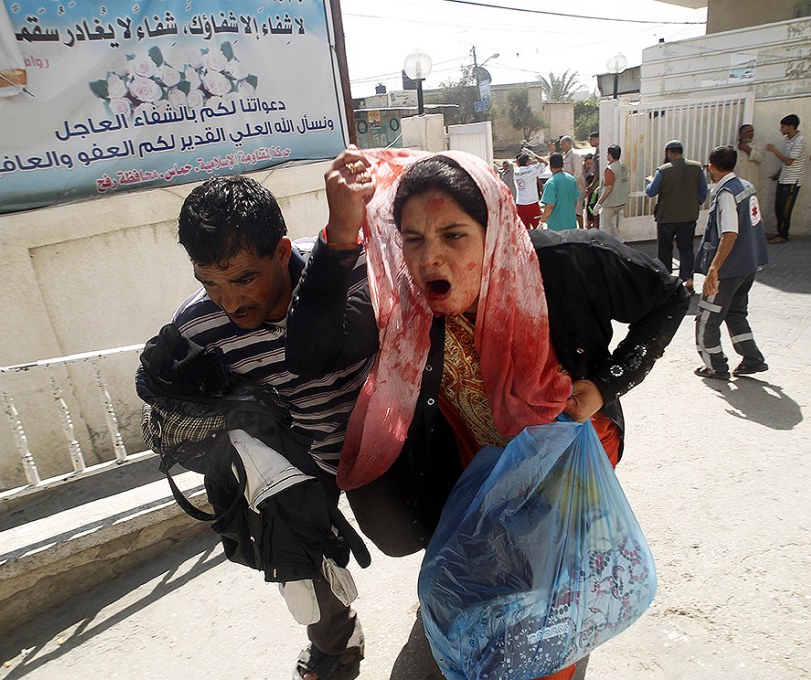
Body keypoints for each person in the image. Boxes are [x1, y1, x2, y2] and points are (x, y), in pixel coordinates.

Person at [286, 147, 690, 680]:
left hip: (569, 460)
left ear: (493, 227)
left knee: (550, 609)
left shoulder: (568, 264)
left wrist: (609, 380)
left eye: (454, 235)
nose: (430, 258)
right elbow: (308, 353)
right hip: (480, 466)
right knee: (491, 596)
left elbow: (669, 296)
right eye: (412, 239)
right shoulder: (404, 304)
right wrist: (341, 233)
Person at [158, 175, 370, 680]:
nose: (229, 302)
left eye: (243, 279)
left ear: (279, 251)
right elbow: (177, 423)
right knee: (299, 574)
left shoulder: (359, 271)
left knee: (438, 534)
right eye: (209, 282)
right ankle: (338, 649)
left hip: (389, 439)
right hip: (298, 455)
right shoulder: (194, 330)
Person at [694, 145, 770, 380]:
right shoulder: (746, 187)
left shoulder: (726, 194)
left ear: (712, 167)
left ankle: (715, 366)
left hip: (728, 269)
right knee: (735, 313)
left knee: (707, 318)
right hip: (747, 266)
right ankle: (752, 359)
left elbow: (729, 233)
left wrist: (714, 269)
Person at [645, 139, 709, 292]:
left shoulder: (663, 170)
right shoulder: (696, 167)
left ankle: (667, 282)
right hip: (688, 216)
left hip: (666, 217)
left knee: (665, 250)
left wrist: (650, 182)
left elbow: (651, 191)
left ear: (669, 152)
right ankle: (688, 281)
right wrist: (695, 203)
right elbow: (703, 192)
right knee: (686, 249)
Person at [766, 114, 806, 244]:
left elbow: (789, 161)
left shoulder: (799, 141)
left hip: (792, 181)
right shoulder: (788, 140)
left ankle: (783, 235)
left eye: (783, 127)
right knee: (778, 207)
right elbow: (785, 162)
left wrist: (774, 150)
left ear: (791, 127)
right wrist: (778, 173)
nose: (781, 129)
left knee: (785, 208)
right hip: (783, 179)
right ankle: (780, 232)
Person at [596, 144, 629, 241]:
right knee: (610, 224)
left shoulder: (610, 169)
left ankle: (606, 246)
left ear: (610, 155)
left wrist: (599, 204)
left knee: (604, 227)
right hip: (622, 200)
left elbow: (609, 188)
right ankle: (621, 242)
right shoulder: (623, 166)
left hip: (610, 203)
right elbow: (618, 181)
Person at [541, 152, 580, 231]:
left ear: (550, 167)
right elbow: (575, 202)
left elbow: (550, 206)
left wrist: (542, 220)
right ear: (562, 165)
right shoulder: (572, 180)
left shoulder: (551, 183)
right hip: (570, 223)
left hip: (556, 226)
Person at [513, 151, 548, 228]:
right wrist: (534, 155)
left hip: (520, 204)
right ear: (528, 162)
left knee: (524, 229)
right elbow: (545, 163)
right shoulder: (532, 170)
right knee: (537, 227)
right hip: (532, 204)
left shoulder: (515, 172)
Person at [560, 135, 586, 227]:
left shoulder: (575, 155)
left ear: (569, 144)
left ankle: (582, 230)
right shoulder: (564, 156)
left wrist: (571, 186)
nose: (561, 146)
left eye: (563, 144)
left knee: (578, 211)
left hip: (576, 187)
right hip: (567, 188)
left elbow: (577, 173)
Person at [734, 124, 766, 192]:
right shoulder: (734, 147)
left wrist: (747, 149)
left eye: (752, 131)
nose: (751, 134)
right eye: (749, 131)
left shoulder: (758, 145)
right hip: (737, 182)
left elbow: (761, 158)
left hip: (751, 182)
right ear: (741, 134)